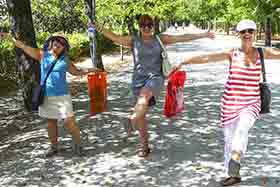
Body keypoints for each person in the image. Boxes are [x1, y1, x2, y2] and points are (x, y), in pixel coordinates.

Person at [91, 14, 215, 157]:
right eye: (143, 25)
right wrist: (98, 27)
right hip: (137, 80)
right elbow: (115, 37)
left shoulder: (160, 39)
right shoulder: (134, 40)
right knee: (142, 115)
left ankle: (130, 122)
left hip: (155, 78)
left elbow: (183, 37)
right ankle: (144, 146)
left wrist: (204, 34)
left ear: (153, 26)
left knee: (143, 98)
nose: (147, 28)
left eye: (149, 25)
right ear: (139, 26)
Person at [177, 19, 280, 186]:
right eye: (243, 31)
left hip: (251, 103)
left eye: (250, 31)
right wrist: (184, 61)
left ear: (254, 33)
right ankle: (233, 174)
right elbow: (206, 57)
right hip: (230, 104)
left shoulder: (261, 53)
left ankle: (236, 156)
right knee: (228, 140)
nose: (247, 34)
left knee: (243, 128)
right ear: (238, 34)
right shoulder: (232, 53)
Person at [0, 33, 100, 157]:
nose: (59, 44)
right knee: (51, 123)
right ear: (51, 42)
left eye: (62, 43)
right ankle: (54, 147)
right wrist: (10, 38)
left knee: (69, 122)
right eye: (56, 41)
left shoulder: (65, 59)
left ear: (64, 48)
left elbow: (76, 72)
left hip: (63, 96)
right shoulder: (42, 55)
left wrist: (91, 70)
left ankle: (79, 145)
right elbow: (23, 46)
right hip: (46, 96)